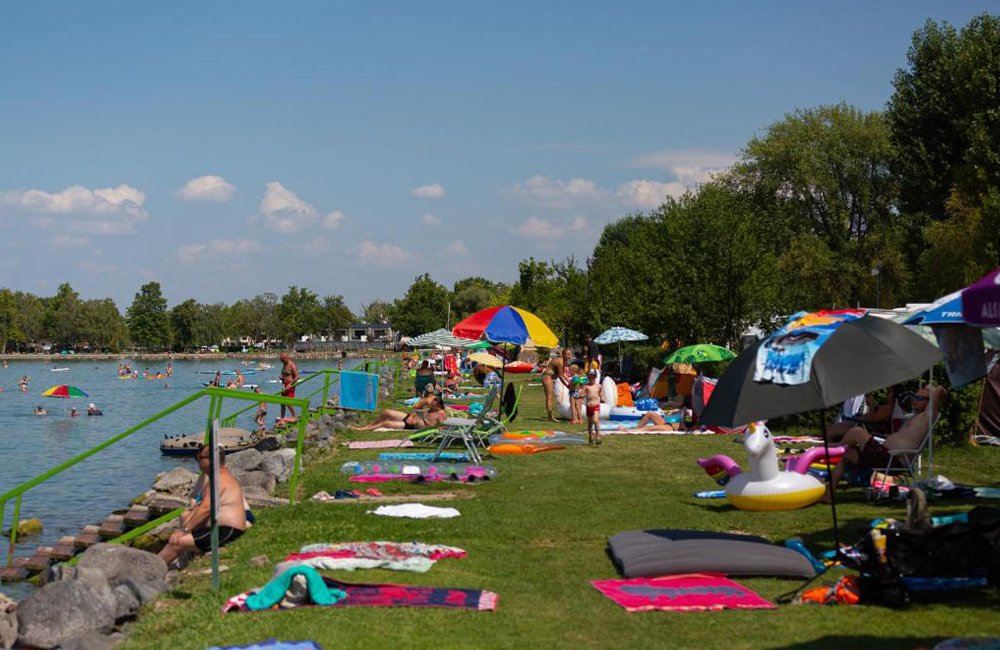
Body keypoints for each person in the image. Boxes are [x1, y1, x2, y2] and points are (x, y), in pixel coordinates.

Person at [824, 386, 947, 501]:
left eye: (919, 398)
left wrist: (929, 389)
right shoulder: (915, 417)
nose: (915, 400)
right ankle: (829, 494)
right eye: (915, 397)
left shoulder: (928, 416)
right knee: (845, 454)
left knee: (856, 431)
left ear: (930, 401)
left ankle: (832, 448)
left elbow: (940, 389)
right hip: (885, 457)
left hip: (894, 460)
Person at [158, 444, 247, 568]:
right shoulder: (218, 476)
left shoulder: (219, 479)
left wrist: (184, 530)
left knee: (176, 543)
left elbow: (206, 509)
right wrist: (185, 525)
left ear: (210, 460)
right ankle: (179, 563)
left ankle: (150, 571)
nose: (198, 461)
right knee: (185, 521)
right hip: (220, 528)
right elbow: (200, 508)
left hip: (227, 531)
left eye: (200, 457)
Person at [355, 396, 447, 431]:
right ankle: (368, 426)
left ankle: (364, 429)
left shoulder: (441, 415)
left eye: (433, 406)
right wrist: (412, 416)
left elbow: (442, 429)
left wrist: (427, 423)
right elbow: (417, 410)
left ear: (439, 406)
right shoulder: (432, 409)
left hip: (412, 425)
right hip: (410, 418)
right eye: (431, 405)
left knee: (386, 423)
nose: (430, 407)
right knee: (386, 412)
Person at [540, 353, 564, 422]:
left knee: (549, 397)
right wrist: (567, 384)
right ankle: (550, 417)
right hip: (547, 377)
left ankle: (550, 416)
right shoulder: (560, 360)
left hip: (547, 376)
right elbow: (561, 375)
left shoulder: (559, 360)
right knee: (549, 397)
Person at [582, 369, 603, 445]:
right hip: (589, 406)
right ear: (588, 377)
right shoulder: (586, 386)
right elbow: (582, 394)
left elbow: (601, 395)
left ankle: (598, 437)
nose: (591, 378)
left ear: (595, 377)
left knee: (595, 420)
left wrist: (602, 398)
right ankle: (590, 437)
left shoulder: (599, 386)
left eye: (593, 376)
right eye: (590, 376)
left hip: (596, 405)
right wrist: (580, 395)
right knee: (590, 423)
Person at [279, 353, 300, 423]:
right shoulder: (284, 364)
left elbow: (297, 376)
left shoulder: (292, 365)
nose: (281, 361)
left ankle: (294, 416)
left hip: (290, 385)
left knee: (288, 402)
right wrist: (281, 377)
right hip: (284, 385)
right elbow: (284, 373)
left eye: (282, 360)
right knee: (282, 402)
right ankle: (282, 418)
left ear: (286, 358)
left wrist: (290, 384)